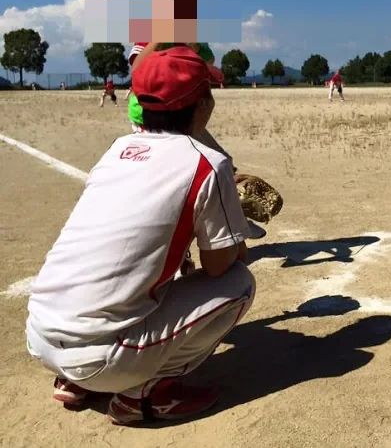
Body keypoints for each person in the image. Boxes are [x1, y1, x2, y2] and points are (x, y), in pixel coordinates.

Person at [26, 47, 257, 426]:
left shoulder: (118, 149)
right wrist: (236, 226)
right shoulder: (207, 163)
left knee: (143, 269)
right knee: (239, 284)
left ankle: (74, 381)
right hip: (100, 357)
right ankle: (144, 395)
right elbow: (219, 266)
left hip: (39, 335)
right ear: (201, 104)